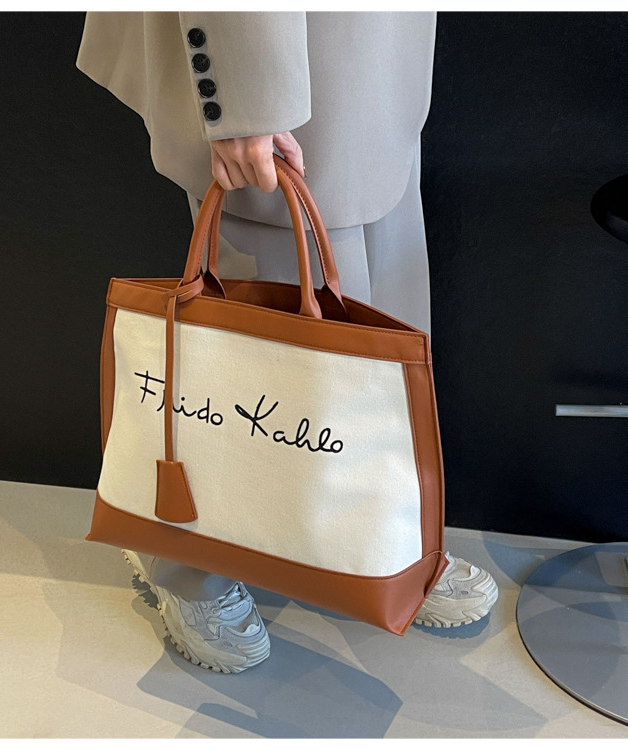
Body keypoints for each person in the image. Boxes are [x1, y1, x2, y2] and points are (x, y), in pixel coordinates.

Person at [75, 11, 498, 674]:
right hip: (273, 63)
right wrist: (244, 98)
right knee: (253, 349)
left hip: (370, 63)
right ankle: (181, 559)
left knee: (381, 326)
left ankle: (381, 547)